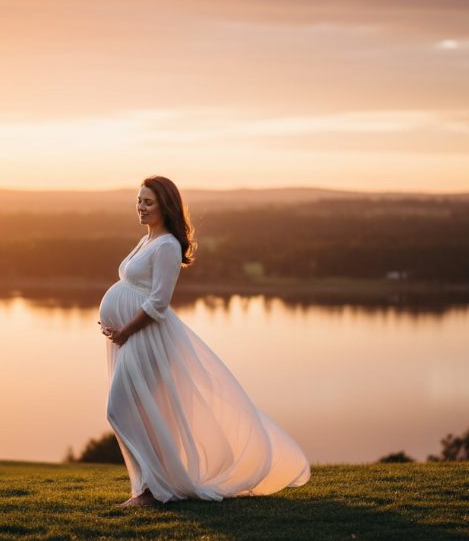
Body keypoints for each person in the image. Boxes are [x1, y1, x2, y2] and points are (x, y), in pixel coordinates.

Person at [98, 175, 310, 507]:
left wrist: (125, 329)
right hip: (130, 337)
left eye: (148, 202)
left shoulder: (167, 245)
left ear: (165, 206)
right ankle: (147, 490)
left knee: (121, 410)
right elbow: (133, 288)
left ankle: (153, 491)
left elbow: (158, 302)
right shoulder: (147, 239)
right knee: (142, 412)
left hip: (146, 338)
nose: (140, 207)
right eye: (138, 201)